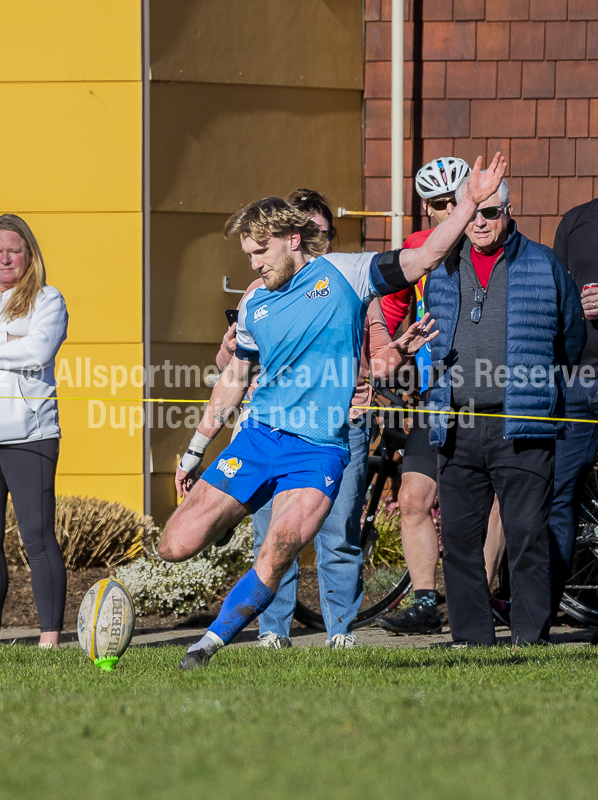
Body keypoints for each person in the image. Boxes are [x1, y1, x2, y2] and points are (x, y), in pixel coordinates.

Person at [158, 153, 507, 670]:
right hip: (258, 439)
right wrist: (192, 452)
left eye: (260, 251)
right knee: (174, 545)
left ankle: (207, 645)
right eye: (249, 254)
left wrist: (470, 203)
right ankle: (235, 509)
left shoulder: (347, 274)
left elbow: (426, 255)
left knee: (278, 550)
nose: (253, 263)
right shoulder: (256, 302)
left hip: (319, 450)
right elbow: (233, 379)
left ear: (291, 239)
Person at [216, 189, 436, 649]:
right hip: (276, 429)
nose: (318, 241)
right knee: (274, 535)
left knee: (338, 533)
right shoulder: (263, 291)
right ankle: (273, 631)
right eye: (310, 232)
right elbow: (230, 366)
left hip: (343, 424)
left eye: (324, 233)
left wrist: (394, 353)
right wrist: (235, 350)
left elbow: (379, 358)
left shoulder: (353, 286)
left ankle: (341, 632)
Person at [424, 177, 584, 646]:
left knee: (528, 536)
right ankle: (472, 640)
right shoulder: (443, 267)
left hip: (522, 426)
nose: (479, 222)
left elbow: (569, 339)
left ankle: (529, 638)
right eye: (472, 212)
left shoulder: (543, 263)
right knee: (457, 541)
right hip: (457, 424)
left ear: (509, 212)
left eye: (490, 213)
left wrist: (538, 390)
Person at [376, 158, 507, 635]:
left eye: (455, 200)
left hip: (490, 392)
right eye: (438, 205)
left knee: (497, 499)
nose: (449, 211)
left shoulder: (491, 241)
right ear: (426, 209)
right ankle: (426, 602)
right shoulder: (415, 251)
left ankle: (481, 596)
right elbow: (388, 317)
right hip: (436, 395)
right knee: (413, 498)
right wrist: (391, 356)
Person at [0, 214, 68, 648]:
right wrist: (9, 338)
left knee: (37, 538)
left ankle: (50, 640)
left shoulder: (47, 299)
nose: (5, 258)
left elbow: (38, 351)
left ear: (29, 255)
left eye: (14, 250)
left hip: (30, 435)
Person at [550, 200, 598, 624]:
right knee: (559, 499)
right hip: (578, 380)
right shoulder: (576, 220)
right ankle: (541, 618)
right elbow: (555, 294)